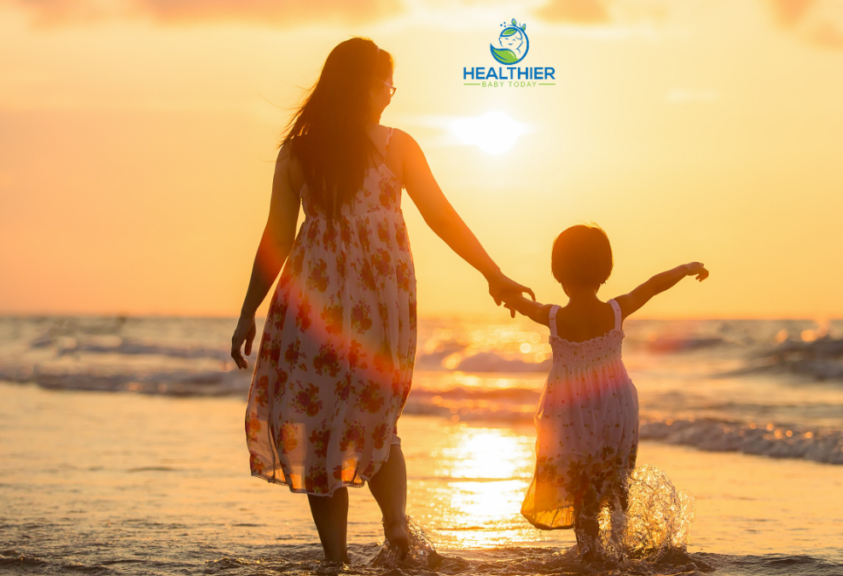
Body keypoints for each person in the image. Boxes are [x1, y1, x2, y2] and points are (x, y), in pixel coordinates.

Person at [229, 37, 532, 565]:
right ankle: (396, 531)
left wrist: (248, 310)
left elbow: (276, 238)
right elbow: (440, 216)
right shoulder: (395, 146)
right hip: (379, 303)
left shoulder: (299, 150)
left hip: (312, 305)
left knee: (317, 422)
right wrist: (493, 274)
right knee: (375, 417)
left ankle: (336, 559)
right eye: (387, 82)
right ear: (365, 86)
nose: (392, 94)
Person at [500, 224, 708, 559]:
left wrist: (504, 294)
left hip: (572, 414)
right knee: (616, 480)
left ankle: (590, 553)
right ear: (605, 271)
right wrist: (686, 269)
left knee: (583, 489)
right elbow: (653, 286)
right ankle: (619, 548)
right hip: (616, 408)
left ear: (558, 272)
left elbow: (522, 305)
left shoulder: (553, 316)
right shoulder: (615, 311)